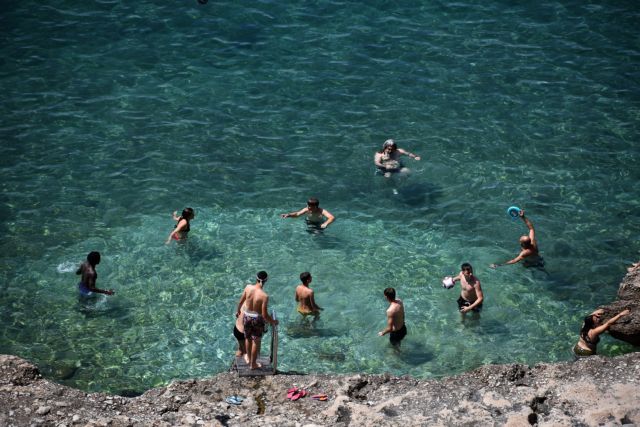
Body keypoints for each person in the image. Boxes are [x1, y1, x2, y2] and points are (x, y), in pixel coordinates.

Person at [235, 271, 279, 370]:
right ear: (266, 280)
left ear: (256, 278)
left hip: (246, 316)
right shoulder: (264, 296)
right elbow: (264, 314)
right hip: (257, 319)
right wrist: (273, 321)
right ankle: (253, 364)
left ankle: (249, 359)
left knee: (247, 339)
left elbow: (240, 302)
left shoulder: (248, 287)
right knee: (256, 341)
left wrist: (238, 311)